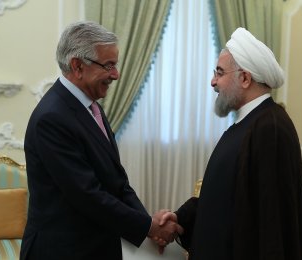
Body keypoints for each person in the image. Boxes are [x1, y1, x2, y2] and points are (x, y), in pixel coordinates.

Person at [20, 21, 181, 260]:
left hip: (96, 247)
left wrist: (147, 224)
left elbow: (117, 182)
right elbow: (87, 194)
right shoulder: (52, 118)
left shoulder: (90, 106)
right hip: (62, 251)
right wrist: (148, 227)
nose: (115, 75)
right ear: (77, 66)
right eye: (108, 66)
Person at [159, 27, 302, 260]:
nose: (213, 81)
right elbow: (227, 196)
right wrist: (182, 218)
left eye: (220, 73)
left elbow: (271, 223)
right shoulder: (250, 123)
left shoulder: (269, 128)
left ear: (244, 78)